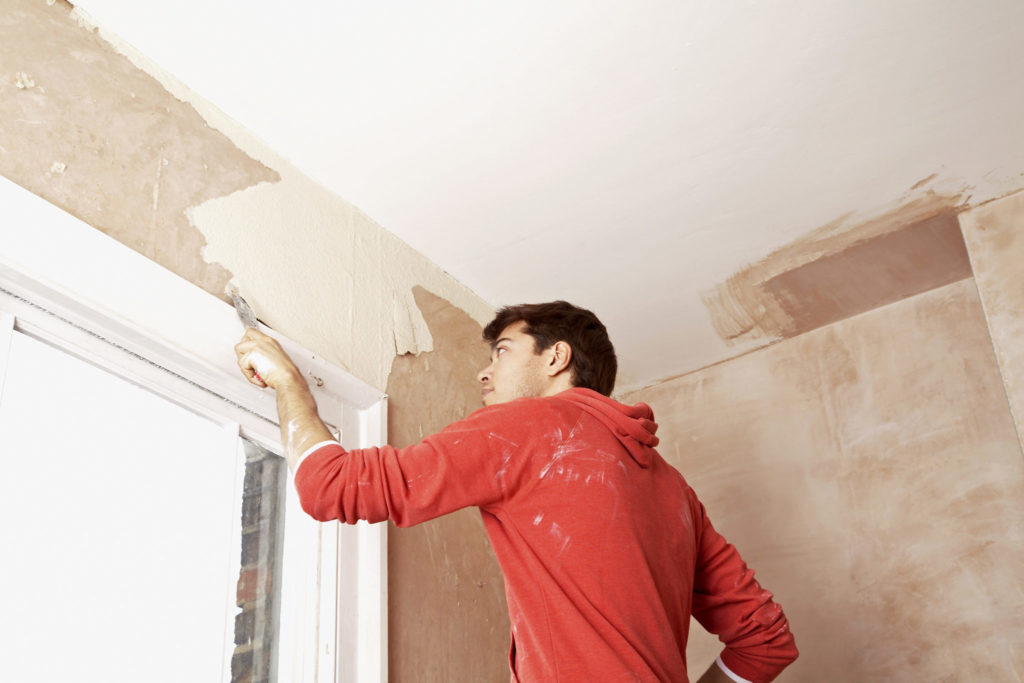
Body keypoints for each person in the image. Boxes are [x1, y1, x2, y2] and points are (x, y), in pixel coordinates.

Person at [234, 301, 798, 682]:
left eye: (502, 351)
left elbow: (330, 487)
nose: (484, 373)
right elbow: (766, 640)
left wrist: (288, 384)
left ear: (556, 358)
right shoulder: (674, 490)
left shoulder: (530, 427)